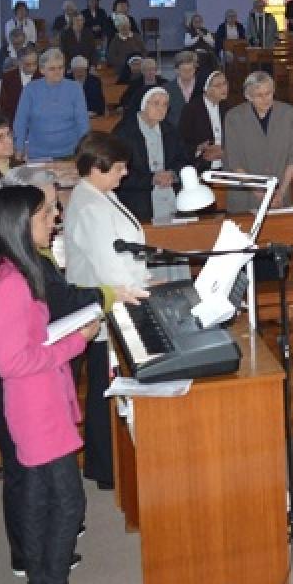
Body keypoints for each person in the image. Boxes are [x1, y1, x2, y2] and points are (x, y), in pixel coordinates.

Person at [0, 183, 104, 584]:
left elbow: (29, 338)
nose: (54, 221)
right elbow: (11, 362)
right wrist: (76, 341)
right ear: (20, 224)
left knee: (41, 495)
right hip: (35, 405)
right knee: (68, 503)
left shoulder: (13, 270)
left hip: (42, 396)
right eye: (46, 215)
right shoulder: (8, 283)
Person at [63, 131, 162, 489]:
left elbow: (128, 249)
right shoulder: (89, 205)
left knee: (109, 386)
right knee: (108, 387)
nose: (123, 174)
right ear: (95, 168)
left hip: (123, 296)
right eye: (118, 168)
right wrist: (141, 294)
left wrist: (147, 280)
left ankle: (108, 464)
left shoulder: (101, 195)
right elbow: (109, 267)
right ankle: (107, 467)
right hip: (110, 304)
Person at [223, 71, 293, 211]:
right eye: (259, 95)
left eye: (268, 93)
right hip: (246, 195)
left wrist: (281, 191)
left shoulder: (288, 114)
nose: (265, 99)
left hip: (279, 194)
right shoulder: (233, 118)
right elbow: (234, 161)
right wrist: (258, 192)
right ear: (248, 96)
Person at [114, 87, 192, 223]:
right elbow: (117, 173)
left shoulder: (172, 131)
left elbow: (183, 161)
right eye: (156, 103)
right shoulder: (123, 133)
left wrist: (173, 174)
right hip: (138, 202)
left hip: (171, 196)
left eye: (165, 104)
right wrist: (151, 179)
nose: (161, 109)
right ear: (143, 105)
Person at [14, 48, 91, 161]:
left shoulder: (75, 88)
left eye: (61, 67)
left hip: (70, 152)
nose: (58, 72)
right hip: (38, 154)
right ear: (42, 70)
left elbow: (83, 121)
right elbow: (21, 121)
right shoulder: (30, 89)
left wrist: (84, 150)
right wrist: (19, 147)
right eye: (52, 69)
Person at [180, 69, 230, 168]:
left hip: (226, 166)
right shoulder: (191, 109)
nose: (224, 88)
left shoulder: (227, 108)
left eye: (225, 83)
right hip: (201, 167)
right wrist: (198, 149)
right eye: (218, 85)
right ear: (206, 88)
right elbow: (181, 142)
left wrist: (224, 151)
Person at [0, 45, 40, 122]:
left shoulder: (42, 76)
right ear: (19, 62)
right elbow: (4, 105)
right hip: (14, 120)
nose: (33, 68)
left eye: (35, 63)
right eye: (28, 65)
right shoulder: (8, 78)